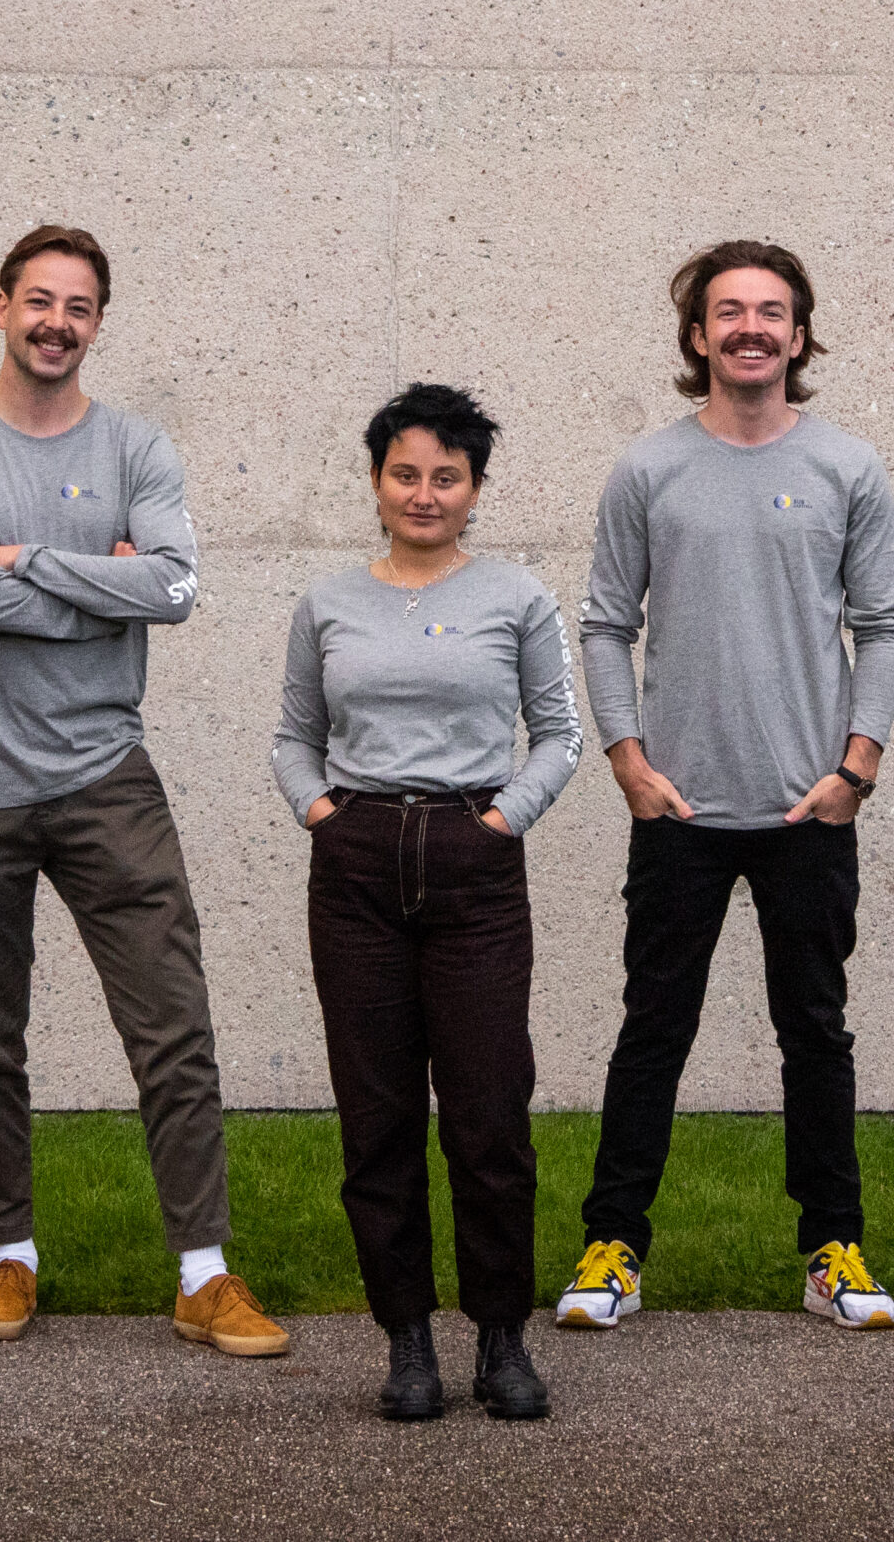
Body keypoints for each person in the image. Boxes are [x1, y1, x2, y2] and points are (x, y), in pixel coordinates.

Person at [0, 224, 286, 1358]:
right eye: (38, 300)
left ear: (97, 323)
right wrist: (99, 580)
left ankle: (204, 1274)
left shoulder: (137, 447)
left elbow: (173, 587)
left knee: (173, 1028)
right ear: (3, 306)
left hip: (105, 775)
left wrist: (30, 562)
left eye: (77, 305)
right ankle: (9, 1259)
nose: (55, 321)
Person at [561, 240, 894, 1334]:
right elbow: (606, 625)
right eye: (729, 312)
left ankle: (833, 1250)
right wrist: (626, 761)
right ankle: (612, 1247)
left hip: (809, 805)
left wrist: (857, 770)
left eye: (771, 312)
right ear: (698, 335)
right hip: (681, 809)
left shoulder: (848, 469)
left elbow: (886, 627)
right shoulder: (647, 470)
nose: (750, 327)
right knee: (651, 1030)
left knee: (816, 1030)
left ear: (799, 336)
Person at [272, 384, 582, 1422]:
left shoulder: (515, 598)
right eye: (405, 473)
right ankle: (406, 1343)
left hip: (473, 866)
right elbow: (291, 736)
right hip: (355, 865)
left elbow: (560, 734)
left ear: (475, 489)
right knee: (378, 1119)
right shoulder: (326, 604)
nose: (424, 492)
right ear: (375, 482)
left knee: (490, 1117)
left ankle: (501, 1340)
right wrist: (319, 810)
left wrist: (501, 824)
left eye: (446, 476)